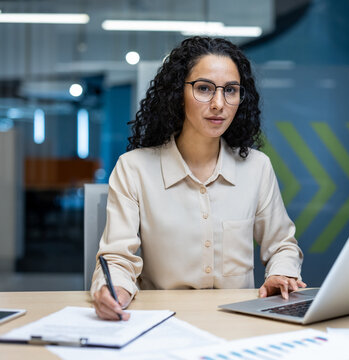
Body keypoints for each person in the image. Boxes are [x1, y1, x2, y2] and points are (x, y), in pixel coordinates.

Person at [91, 36, 306, 321]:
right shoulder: (134, 169)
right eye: (204, 88)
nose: (219, 103)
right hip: (162, 321)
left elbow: (281, 245)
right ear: (177, 93)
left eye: (231, 90)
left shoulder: (257, 167)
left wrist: (281, 273)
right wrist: (114, 290)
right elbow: (117, 257)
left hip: (240, 324)